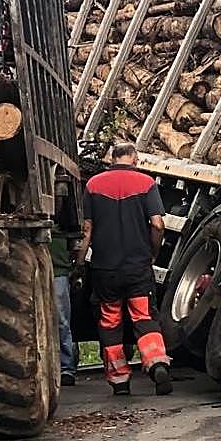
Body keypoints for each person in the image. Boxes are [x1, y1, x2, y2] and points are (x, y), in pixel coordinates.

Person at [76, 142, 172, 395]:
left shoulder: (93, 185)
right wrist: (153, 252)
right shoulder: (146, 183)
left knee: (110, 321)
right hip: (137, 268)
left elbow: (87, 229)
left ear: (112, 159)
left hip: (105, 270)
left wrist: (80, 262)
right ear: (135, 159)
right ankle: (157, 363)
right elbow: (157, 224)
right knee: (144, 317)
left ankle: (119, 380)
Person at [50, 220, 77, 387]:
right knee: (62, 321)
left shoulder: (64, 218)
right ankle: (65, 367)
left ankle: (66, 367)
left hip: (58, 269)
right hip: (57, 269)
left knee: (62, 321)